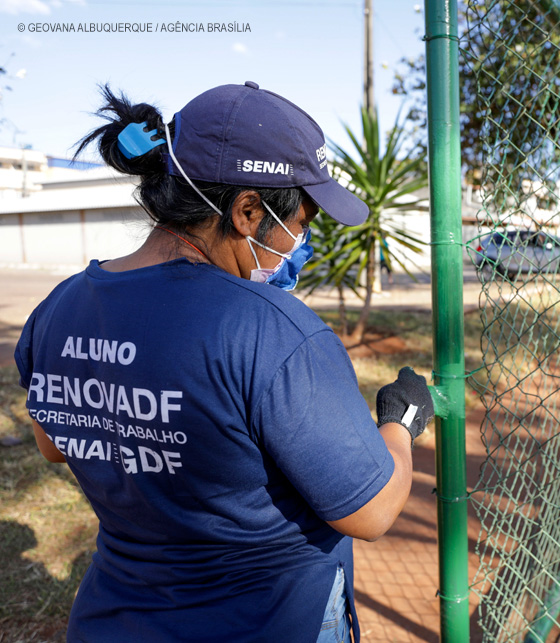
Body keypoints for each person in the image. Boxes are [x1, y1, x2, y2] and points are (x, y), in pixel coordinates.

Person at [14, 82, 434, 642]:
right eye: (302, 224)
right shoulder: (275, 331)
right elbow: (371, 512)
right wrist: (399, 424)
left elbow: (53, 444)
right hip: (267, 622)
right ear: (247, 211)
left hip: (114, 620)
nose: (300, 245)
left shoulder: (60, 307)